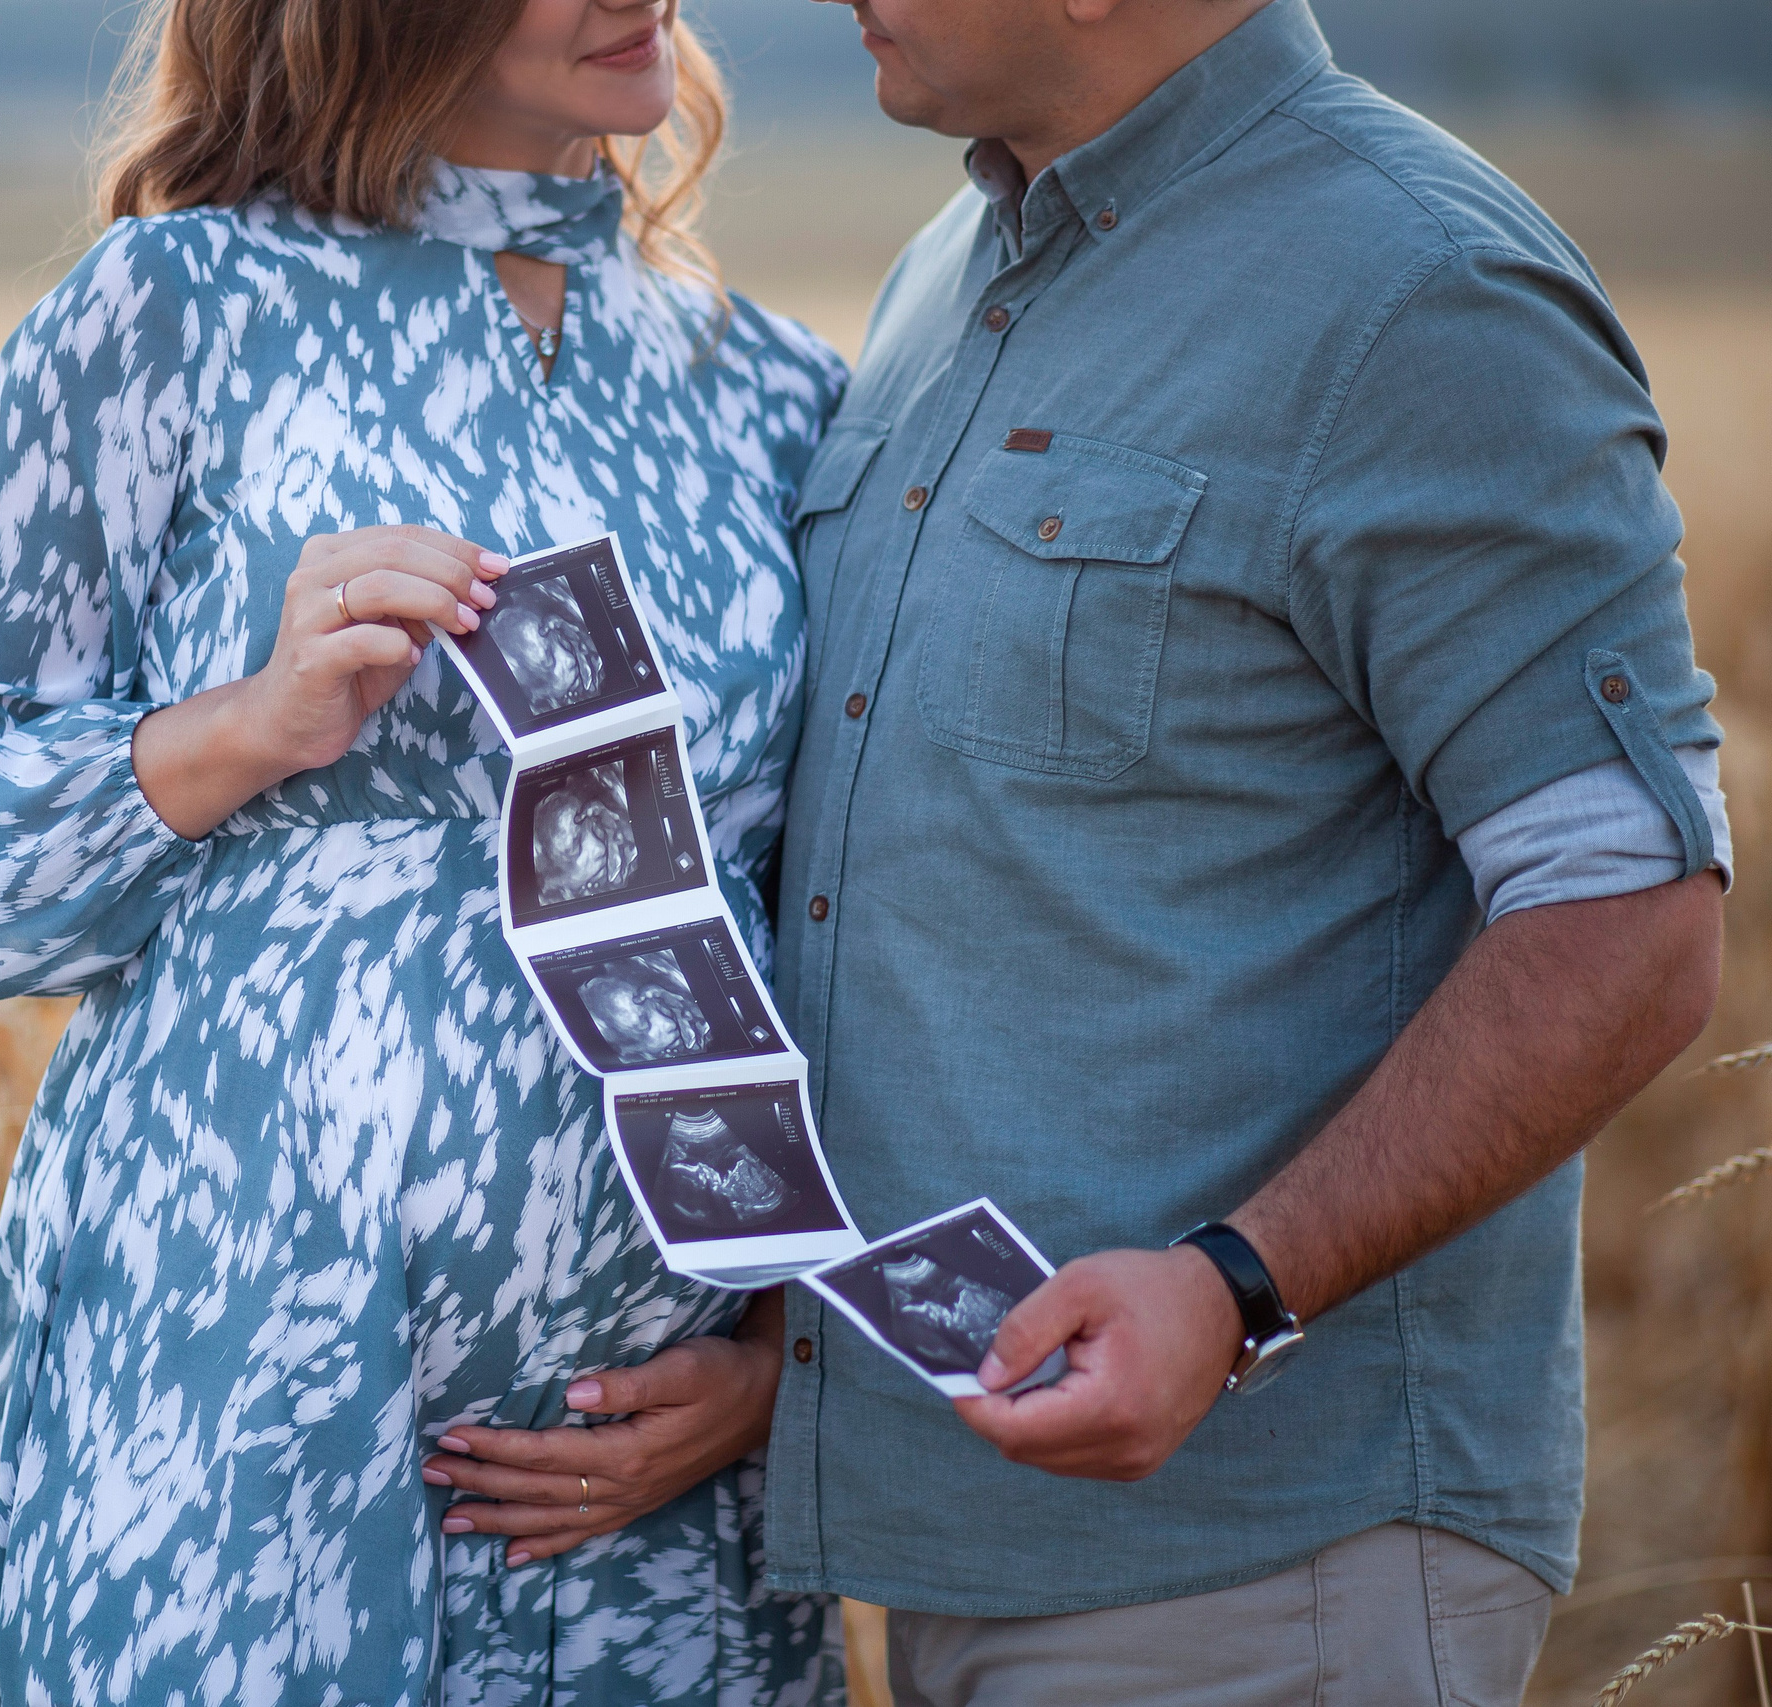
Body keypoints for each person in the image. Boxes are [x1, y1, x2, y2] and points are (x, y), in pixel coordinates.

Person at [441, 1, 1731, 1701]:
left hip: (1267, 1557)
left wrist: (1239, 1292)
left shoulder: (1422, 293)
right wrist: (784, 1348)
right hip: (954, 1534)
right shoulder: (942, 282)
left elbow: (1629, 911)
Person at [0, 0, 851, 1700]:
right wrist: (254, 722)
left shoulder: (767, 385)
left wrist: (778, 1362)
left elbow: (833, 916)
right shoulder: (173, 313)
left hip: (647, 1501)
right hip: (231, 1422)